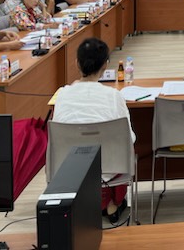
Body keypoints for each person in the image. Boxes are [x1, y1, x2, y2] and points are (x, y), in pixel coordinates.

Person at [52, 38, 136, 224]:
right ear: (105, 65)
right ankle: (111, 203)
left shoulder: (62, 95)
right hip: (109, 167)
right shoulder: (113, 96)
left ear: (77, 63)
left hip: (69, 169)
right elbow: (128, 138)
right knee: (123, 148)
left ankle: (97, 203)